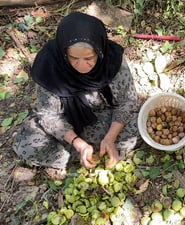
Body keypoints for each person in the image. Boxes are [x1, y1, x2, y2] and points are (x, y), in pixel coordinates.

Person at [13, 12, 140, 179]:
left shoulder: (113, 61)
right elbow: (49, 116)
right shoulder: (49, 67)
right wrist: (78, 143)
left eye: (89, 58)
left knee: (140, 127)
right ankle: (88, 151)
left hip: (104, 117)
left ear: (100, 51)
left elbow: (127, 102)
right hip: (66, 123)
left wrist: (110, 137)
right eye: (73, 58)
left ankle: (100, 147)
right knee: (27, 144)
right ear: (63, 52)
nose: (81, 66)